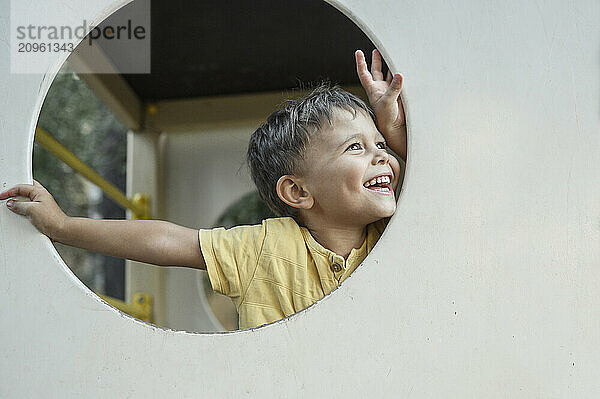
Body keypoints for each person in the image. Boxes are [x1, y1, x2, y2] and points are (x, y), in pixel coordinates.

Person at [0, 49, 407, 329]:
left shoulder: (398, 235)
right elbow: (167, 241)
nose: (383, 157)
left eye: (382, 146)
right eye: (356, 147)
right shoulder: (264, 250)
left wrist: (396, 130)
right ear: (298, 193)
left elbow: (444, 191)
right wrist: (63, 227)